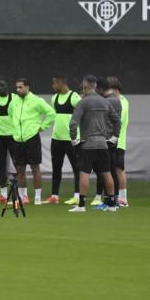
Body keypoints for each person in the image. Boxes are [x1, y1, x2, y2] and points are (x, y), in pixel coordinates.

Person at [68, 75, 121, 213]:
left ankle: (81, 205)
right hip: (103, 143)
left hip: (88, 144)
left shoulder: (83, 102)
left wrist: (74, 141)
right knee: (106, 172)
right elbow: (117, 121)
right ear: (96, 86)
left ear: (85, 87)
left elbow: (73, 124)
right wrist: (114, 138)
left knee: (84, 173)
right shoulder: (105, 102)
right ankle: (112, 204)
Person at [10, 78, 56, 205]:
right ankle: (22, 197)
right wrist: (15, 129)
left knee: (35, 168)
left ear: (27, 87)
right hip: (18, 139)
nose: (18, 90)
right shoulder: (14, 101)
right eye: (17, 87)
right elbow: (11, 115)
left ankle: (37, 197)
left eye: (20, 87)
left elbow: (51, 114)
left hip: (32, 138)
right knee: (20, 169)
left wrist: (41, 127)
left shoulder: (37, 101)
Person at [49, 76, 82, 205]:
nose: (52, 86)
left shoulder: (74, 97)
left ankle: (77, 195)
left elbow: (82, 115)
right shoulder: (54, 98)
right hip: (56, 139)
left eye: (54, 83)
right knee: (56, 168)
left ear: (61, 83)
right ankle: (54, 195)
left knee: (77, 168)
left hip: (72, 140)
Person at [90, 78, 123, 208]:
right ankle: (112, 199)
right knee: (109, 170)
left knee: (106, 171)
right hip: (109, 139)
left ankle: (110, 201)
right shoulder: (115, 99)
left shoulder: (109, 101)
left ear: (99, 88)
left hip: (107, 140)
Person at [108, 76, 129, 207]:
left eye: (109, 90)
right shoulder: (116, 101)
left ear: (116, 90)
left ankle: (123, 199)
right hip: (112, 140)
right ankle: (115, 197)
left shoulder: (122, 102)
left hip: (118, 141)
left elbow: (117, 120)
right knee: (112, 170)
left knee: (119, 169)